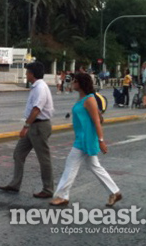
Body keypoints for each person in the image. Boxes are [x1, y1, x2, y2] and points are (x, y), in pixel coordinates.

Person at [50, 73, 122, 207]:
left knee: (70, 166)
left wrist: (101, 140)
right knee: (94, 166)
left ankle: (62, 196)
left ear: (81, 84)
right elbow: (97, 117)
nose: (72, 83)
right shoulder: (83, 98)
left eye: (75, 81)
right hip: (82, 137)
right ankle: (115, 192)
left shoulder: (89, 99)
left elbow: (97, 121)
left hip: (85, 139)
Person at [0, 61, 55, 199]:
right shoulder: (36, 87)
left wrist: (26, 126)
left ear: (32, 74)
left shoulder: (40, 87)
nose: (26, 74)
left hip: (39, 126)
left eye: (27, 72)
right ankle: (15, 184)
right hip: (33, 126)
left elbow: (37, 109)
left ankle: (48, 189)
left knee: (43, 159)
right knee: (18, 153)